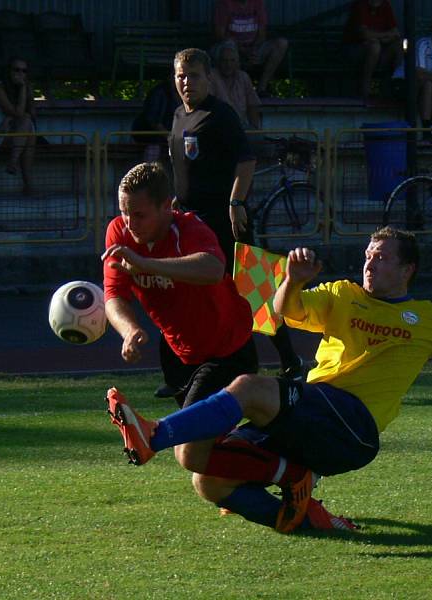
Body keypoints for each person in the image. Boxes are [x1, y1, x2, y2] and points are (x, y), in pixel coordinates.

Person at [106, 226, 432, 534]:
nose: (369, 263)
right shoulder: (343, 295)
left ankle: (155, 434)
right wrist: (293, 279)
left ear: (407, 270)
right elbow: (285, 311)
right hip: (311, 412)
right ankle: (305, 514)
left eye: (381, 259)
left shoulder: (426, 318)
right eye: (368, 255)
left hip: (353, 427)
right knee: (204, 475)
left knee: (248, 387)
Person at [102, 162, 313, 505]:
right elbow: (114, 295)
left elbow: (212, 268)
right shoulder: (119, 232)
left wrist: (145, 264)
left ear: (166, 207)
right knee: (207, 452)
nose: (129, 223)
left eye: (138, 215)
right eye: (124, 212)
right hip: (178, 354)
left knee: (188, 452)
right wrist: (129, 330)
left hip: (226, 350)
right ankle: (271, 481)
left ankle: (291, 474)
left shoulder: (190, 229)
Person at [170, 47, 305, 383]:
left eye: (194, 75)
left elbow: (246, 161)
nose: (187, 82)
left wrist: (235, 203)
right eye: (181, 76)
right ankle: (197, 369)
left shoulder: (221, 115)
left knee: (255, 291)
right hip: (191, 221)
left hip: (225, 219)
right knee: (199, 296)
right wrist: (176, 200)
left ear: (209, 78)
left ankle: (290, 360)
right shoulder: (178, 115)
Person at [0, 57, 37, 196]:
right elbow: (18, 112)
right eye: (16, 69)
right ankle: (27, 183)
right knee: (27, 129)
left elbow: (31, 113)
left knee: (29, 127)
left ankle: (14, 163)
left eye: (24, 71)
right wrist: (22, 90)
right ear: (8, 71)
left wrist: (25, 90)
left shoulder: (25, 87)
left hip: (10, 132)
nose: (20, 74)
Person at [213, 0, 288, 97]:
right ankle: (236, 90)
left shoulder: (258, 3)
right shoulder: (225, 3)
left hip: (253, 48)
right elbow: (220, 34)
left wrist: (254, 50)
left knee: (281, 43)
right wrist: (241, 50)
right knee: (229, 47)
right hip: (232, 49)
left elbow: (262, 33)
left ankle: (262, 88)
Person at [342, 0, 404, 100]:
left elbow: (395, 33)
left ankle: (397, 87)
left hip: (380, 50)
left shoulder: (385, 5)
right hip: (355, 50)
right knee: (374, 46)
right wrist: (385, 35)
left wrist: (379, 37)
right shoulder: (361, 5)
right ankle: (365, 88)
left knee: (398, 45)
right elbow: (364, 34)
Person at [210, 39, 262, 129]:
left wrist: (255, 129)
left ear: (238, 62)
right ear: (218, 62)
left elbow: (253, 105)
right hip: (219, 127)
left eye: (232, 60)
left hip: (241, 126)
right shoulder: (211, 76)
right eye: (224, 60)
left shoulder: (243, 77)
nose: (228, 64)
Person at [131, 75, 182, 165]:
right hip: (151, 137)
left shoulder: (181, 94)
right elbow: (154, 121)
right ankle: (148, 174)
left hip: (169, 137)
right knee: (153, 149)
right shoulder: (159, 93)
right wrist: (170, 136)